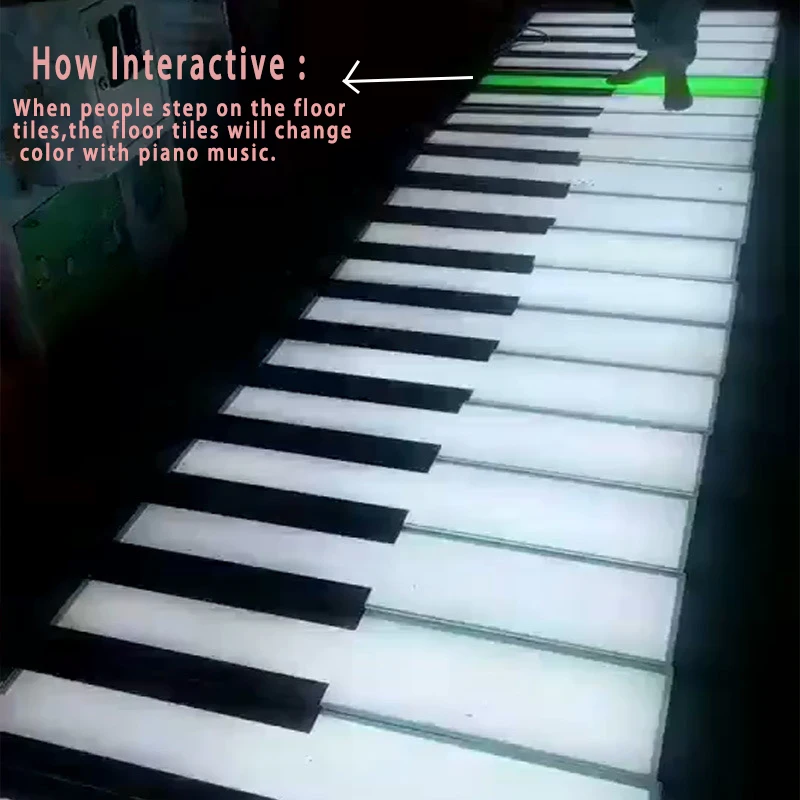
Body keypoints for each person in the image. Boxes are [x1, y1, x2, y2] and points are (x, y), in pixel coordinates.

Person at [606, 0, 705, 111]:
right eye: (674, 91)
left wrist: (632, 75)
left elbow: (627, 76)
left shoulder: (675, 59)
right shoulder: (679, 55)